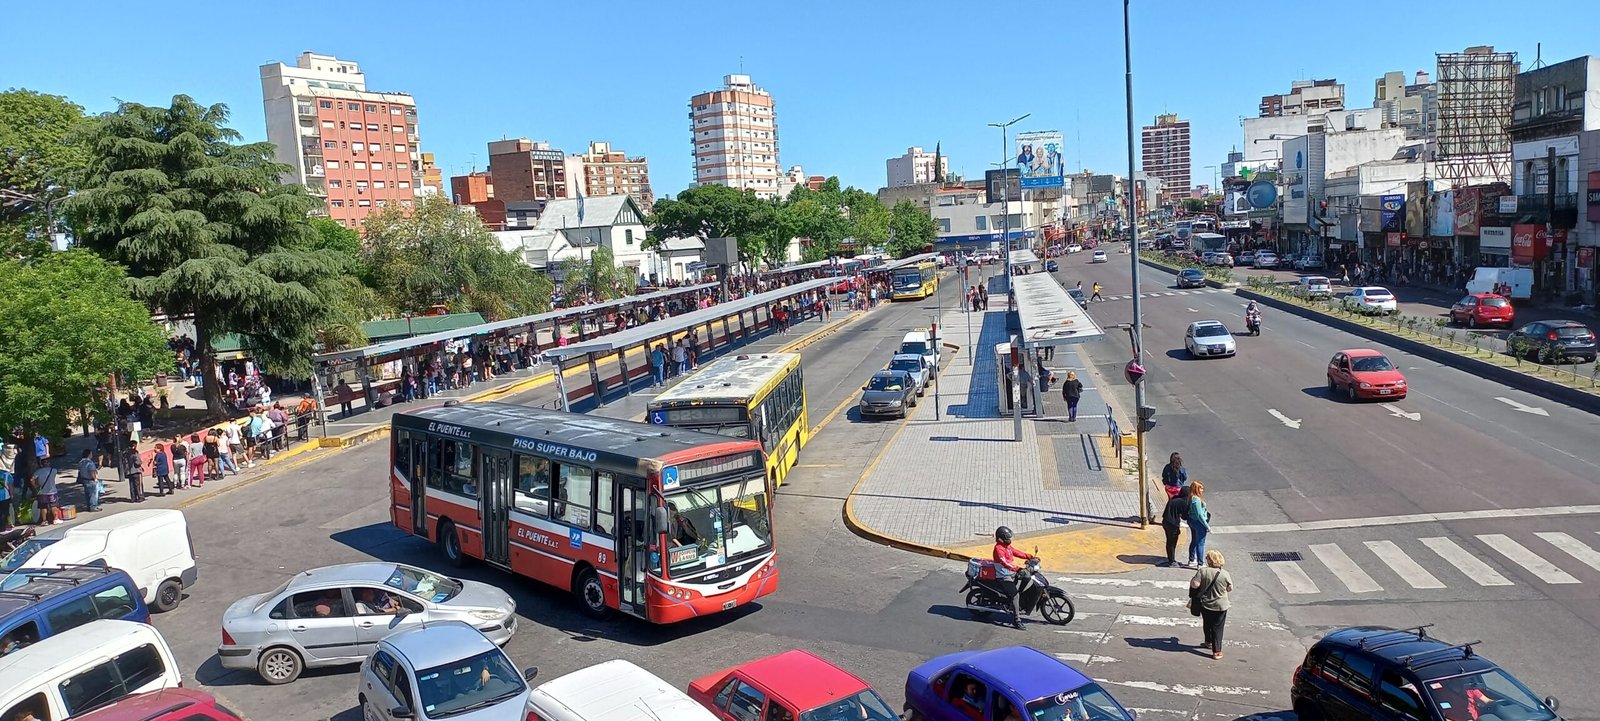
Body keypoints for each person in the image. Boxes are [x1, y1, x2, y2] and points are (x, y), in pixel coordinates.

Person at [1189, 549, 1233, 659]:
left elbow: (1195, 585)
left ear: (1210, 560)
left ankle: (1208, 641)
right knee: (1218, 627)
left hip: (1206, 604)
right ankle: (1217, 651)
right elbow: (1229, 588)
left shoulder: (1202, 571)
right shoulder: (1225, 574)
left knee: (1207, 624)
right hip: (1221, 605)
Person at [992, 526, 1034, 629]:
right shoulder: (999, 549)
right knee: (1015, 595)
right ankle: (1016, 620)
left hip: (1011, 573)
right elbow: (1005, 563)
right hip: (1004, 575)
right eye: (1007, 538)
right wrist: (1018, 569)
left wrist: (1029, 556)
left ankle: (1016, 599)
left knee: (1027, 576)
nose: (1009, 540)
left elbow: (1016, 552)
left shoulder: (1007, 547)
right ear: (1000, 538)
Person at [1160, 486, 1190, 567]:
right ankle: (1172, 561)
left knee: (1169, 541)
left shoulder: (1174, 498)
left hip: (1165, 521)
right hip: (1173, 524)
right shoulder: (1183, 502)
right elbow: (1185, 516)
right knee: (1172, 543)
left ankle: (1171, 559)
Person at [1186, 481, 1211, 567]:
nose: (1202, 490)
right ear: (1196, 489)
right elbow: (1199, 515)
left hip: (1192, 521)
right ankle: (1200, 563)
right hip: (1198, 523)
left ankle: (1192, 559)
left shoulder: (1191, 498)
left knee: (1194, 540)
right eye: (1201, 488)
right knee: (1200, 543)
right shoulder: (1196, 500)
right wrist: (1207, 526)